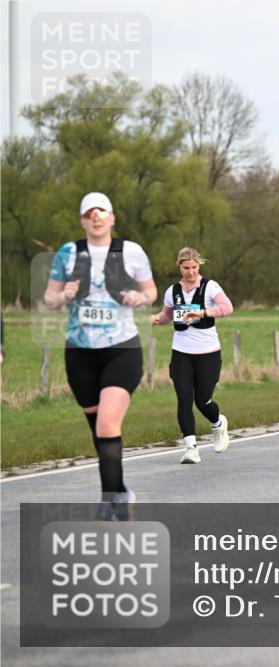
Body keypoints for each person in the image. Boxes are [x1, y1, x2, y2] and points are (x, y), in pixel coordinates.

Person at [43, 193, 157, 521]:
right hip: (80, 352)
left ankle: (109, 503)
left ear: (112, 218)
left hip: (121, 349)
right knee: (100, 431)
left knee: (108, 423)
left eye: (101, 212)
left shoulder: (130, 251)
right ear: (82, 220)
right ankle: (121, 491)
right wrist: (59, 296)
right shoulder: (68, 252)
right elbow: (50, 297)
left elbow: (151, 290)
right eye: (89, 213)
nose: (95, 218)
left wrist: (140, 295)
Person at [150, 247, 234, 463]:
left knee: (203, 401)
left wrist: (204, 312)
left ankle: (218, 424)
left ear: (199, 265)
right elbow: (168, 315)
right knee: (184, 399)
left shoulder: (210, 287)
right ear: (179, 266)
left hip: (208, 352)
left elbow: (227, 307)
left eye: (194, 267)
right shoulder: (172, 291)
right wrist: (158, 319)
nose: (191, 272)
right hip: (181, 353)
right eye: (186, 268)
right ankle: (190, 448)